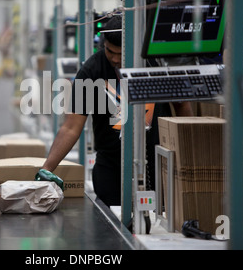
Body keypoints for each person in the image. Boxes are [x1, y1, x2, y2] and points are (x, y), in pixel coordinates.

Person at [40, 14, 193, 207]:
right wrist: (47, 169)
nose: (114, 58)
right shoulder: (92, 71)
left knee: (159, 221)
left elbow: (182, 106)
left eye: (121, 54)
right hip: (110, 165)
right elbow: (71, 127)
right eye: (109, 51)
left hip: (158, 163)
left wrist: (187, 159)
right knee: (110, 224)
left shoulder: (156, 63)